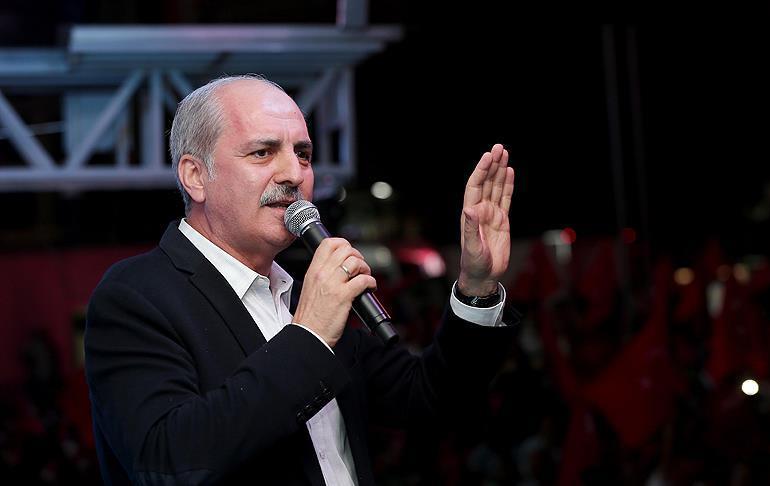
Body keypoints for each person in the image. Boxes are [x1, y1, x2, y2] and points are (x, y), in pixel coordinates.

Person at [84, 74, 518, 485]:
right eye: (263, 152)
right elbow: (166, 462)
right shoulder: (137, 294)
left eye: (303, 154)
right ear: (196, 176)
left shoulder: (299, 295)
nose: (295, 174)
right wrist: (309, 336)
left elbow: (429, 399)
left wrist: (476, 287)